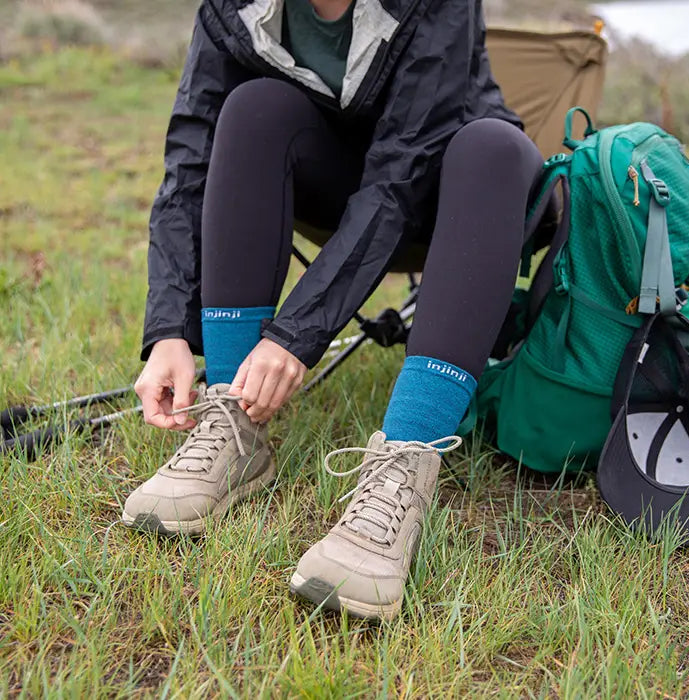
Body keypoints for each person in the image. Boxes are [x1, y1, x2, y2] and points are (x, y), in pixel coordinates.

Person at [122, 0, 551, 621]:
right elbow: (190, 160)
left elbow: (402, 170)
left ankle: (404, 465)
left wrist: (296, 334)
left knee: (494, 147)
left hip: (454, 188)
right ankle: (233, 422)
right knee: (254, 108)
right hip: (339, 179)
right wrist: (168, 331)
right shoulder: (233, 7)